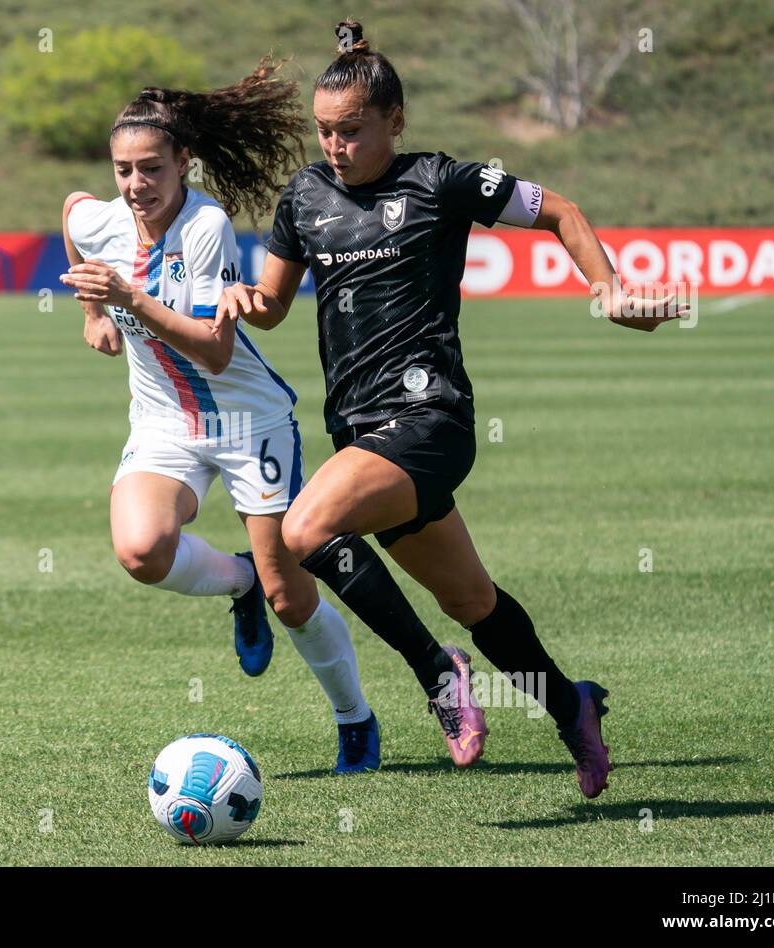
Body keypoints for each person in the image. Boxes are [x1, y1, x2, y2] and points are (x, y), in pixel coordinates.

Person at [214, 20, 688, 797]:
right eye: (326, 133)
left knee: (301, 530)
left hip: (430, 420)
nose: (336, 147)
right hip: (362, 434)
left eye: (354, 131)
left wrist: (609, 291)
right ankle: (574, 708)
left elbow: (562, 210)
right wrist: (245, 299)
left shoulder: (442, 182)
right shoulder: (304, 197)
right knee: (473, 600)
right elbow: (271, 304)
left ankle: (437, 673)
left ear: (395, 121)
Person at [59, 59, 383, 773]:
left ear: (183, 163)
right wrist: (93, 311)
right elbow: (73, 214)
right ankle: (238, 582)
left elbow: (211, 349)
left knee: (292, 598)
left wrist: (125, 299)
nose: (135, 185)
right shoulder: (104, 218)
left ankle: (354, 718)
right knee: (141, 551)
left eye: (150, 169)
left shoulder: (206, 225)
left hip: (247, 425)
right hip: (163, 424)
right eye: (123, 170)